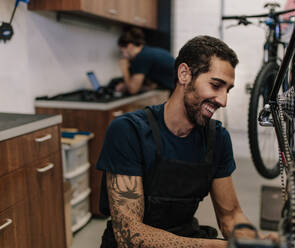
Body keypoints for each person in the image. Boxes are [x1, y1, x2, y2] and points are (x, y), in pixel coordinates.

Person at [97, 35, 278, 247]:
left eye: (227, 90)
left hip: (186, 237)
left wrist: (255, 244)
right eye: (216, 85)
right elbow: (130, 236)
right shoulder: (129, 131)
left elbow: (231, 217)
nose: (223, 101)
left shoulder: (217, 138)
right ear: (184, 74)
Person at [115, 27, 175, 94]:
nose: (123, 55)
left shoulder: (141, 57)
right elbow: (152, 86)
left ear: (129, 46)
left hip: (175, 93)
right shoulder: (147, 52)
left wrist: (124, 68)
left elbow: (133, 90)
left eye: (122, 51)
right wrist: (126, 86)